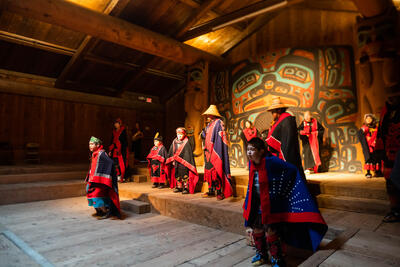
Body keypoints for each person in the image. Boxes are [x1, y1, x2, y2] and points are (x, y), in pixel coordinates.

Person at [243, 137, 327, 266]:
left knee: (271, 231)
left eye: (252, 150)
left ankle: (277, 259)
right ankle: (262, 255)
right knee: (257, 229)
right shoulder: (251, 164)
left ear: (261, 151)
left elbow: (292, 170)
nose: (249, 153)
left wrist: (282, 193)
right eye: (248, 149)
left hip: (271, 205)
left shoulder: (272, 162)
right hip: (256, 205)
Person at [265, 96, 305, 178]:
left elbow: (288, 142)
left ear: (279, 110)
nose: (272, 114)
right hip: (278, 155)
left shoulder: (287, 120)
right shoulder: (279, 121)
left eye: (273, 112)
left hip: (286, 155)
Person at [201, 105, 233, 200]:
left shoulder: (219, 122)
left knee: (216, 170)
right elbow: (205, 135)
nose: (208, 116)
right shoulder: (209, 124)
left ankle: (219, 191)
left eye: (209, 114)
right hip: (207, 152)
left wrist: (215, 150)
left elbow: (220, 137)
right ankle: (211, 190)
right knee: (209, 171)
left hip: (215, 150)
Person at [376, 94, 400, 223]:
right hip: (389, 151)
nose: (390, 97)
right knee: (390, 183)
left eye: (394, 94)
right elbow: (381, 132)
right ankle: (395, 210)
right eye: (388, 95)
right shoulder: (386, 112)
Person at [86, 136, 121, 220]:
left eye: (92, 144)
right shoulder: (94, 154)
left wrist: (104, 176)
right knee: (88, 191)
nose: (90, 146)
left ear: (98, 145)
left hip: (100, 181)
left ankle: (105, 212)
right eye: (89, 144)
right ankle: (99, 211)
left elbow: (110, 163)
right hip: (93, 179)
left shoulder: (101, 153)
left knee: (96, 195)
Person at [166, 127, 199, 194]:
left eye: (181, 134)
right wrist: (172, 159)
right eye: (178, 134)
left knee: (184, 174)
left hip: (184, 163)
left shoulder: (186, 142)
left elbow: (188, 153)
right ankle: (179, 186)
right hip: (176, 162)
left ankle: (186, 187)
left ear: (184, 134)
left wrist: (184, 161)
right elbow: (171, 151)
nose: (179, 136)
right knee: (177, 174)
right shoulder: (174, 141)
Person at [357, 114, 383, 178]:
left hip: (375, 145)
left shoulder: (376, 128)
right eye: (367, 118)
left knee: (376, 158)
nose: (368, 120)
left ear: (372, 120)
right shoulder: (365, 127)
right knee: (368, 159)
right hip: (368, 145)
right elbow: (361, 133)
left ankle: (377, 171)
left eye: (370, 118)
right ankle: (368, 172)